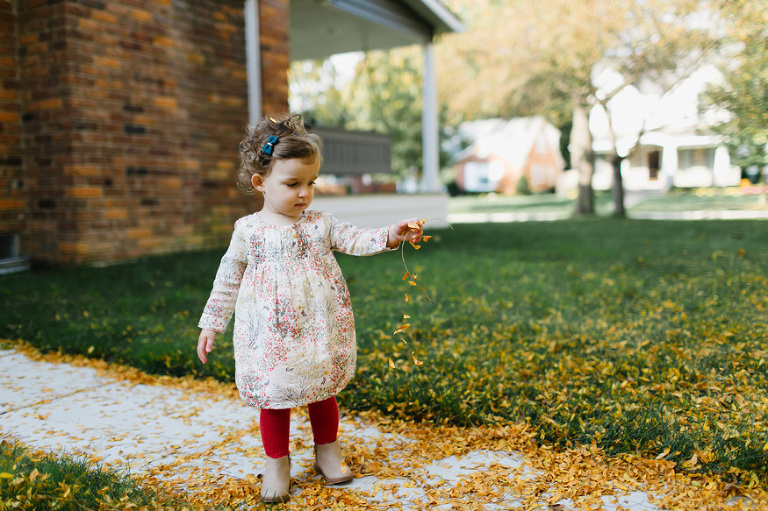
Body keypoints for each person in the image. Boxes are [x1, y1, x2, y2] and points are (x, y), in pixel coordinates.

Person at [196, 114, 423, 503]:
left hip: (319, 326)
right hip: (270, 333)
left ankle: (327, 450)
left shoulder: (320, 223)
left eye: (311, 183)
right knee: (275, 393)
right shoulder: (249, 231)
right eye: (292, 184)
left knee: (322, 387)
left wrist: (389, 235)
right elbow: (228, 276)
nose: (304, 193)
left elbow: (356, 238)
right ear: (260, 183)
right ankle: (277, 461)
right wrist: (212, 322)